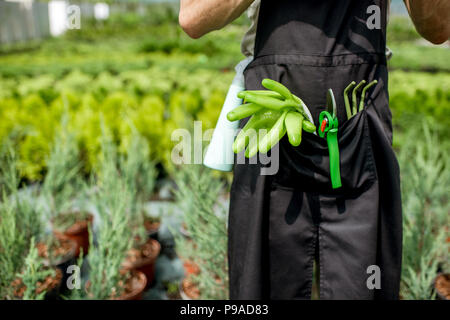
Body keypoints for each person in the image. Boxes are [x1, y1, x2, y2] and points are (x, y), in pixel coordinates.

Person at [179, 0, 450, 300]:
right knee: (261, 287)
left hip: (360, 132)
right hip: (271, 126)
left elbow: (439, 28)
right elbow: (193, 18)